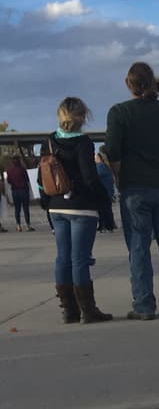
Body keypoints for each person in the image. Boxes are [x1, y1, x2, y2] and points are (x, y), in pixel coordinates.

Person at [104, 61, 159, 320]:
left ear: (128, 84)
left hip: (134, 187)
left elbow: (112, 150)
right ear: (153, 82)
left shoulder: (119, 112)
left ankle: (144, 304)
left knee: (139, 247)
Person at [47, 97, 113, 323]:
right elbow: (89, 177)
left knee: (62, 258)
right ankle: (88, 310)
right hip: (81, 207)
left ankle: (69, 310)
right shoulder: (84, 143)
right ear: (83, 116)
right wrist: (103, 198)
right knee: (80, 259)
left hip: (56, 206)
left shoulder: (51, 140)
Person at [6, 155, 32, 231]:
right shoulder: (23, 169)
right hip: (24, 190)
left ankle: (18, 226)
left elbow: (9, 181)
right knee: (25, 208)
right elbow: (27, 179)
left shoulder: (9, 170)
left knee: (17, 209)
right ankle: (28, 226)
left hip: (14, 191)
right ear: (19, 160)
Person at [95, 151, 117, 232]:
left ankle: (105, 225)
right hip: (108, 191)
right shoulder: (106, 166)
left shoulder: (100, 166)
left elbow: (95, 175)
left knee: (102, 210)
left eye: (96, 157)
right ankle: (108, 225)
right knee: (107, 209)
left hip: (103, 192)